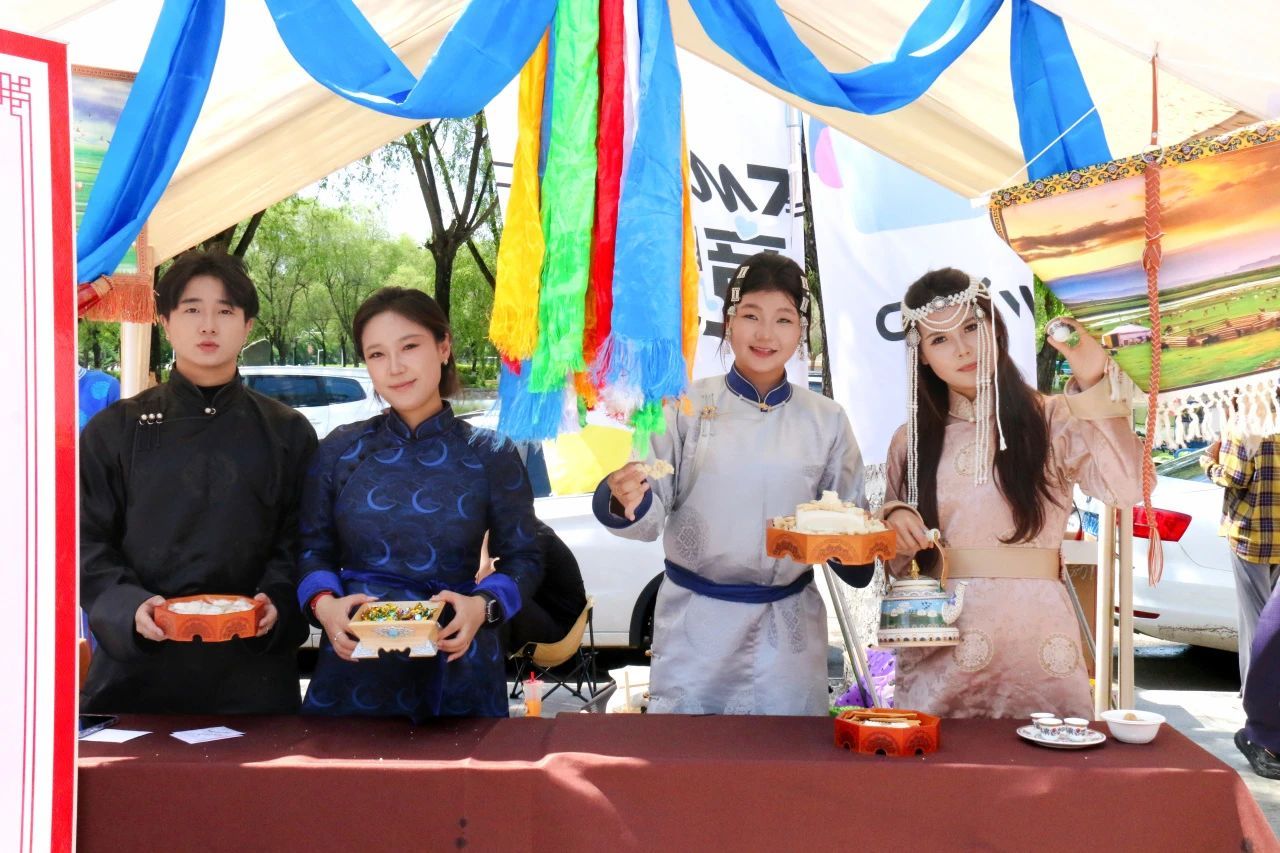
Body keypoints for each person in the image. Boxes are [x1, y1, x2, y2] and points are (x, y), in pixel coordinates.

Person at [595, 252, 872, 716]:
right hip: (695, 626)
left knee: (786, 756)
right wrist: (626, 497)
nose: (766, 334)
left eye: (783, 319)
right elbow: (647, 510)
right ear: (728, 323)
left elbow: (849, 523)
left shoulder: (827, 420)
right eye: (751, 316)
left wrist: (858, 544)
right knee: (694, 755)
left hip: (788, 632)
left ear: (800, 331)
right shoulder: (682, 404)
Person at [883, 268, 1142, 719]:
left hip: (1038, 641)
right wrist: (893, 520)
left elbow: (1127, 487)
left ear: (995, 328)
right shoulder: (911, 441)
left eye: (971, 327)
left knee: (1051, 757)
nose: (962, 349)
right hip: (941, 646)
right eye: (939, 339)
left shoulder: (1054, 418)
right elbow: (891, 562)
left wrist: (1092, 385)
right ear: (920, 355)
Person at [79, 250, 317, 714]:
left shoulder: (287, 431)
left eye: (225, 311)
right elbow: (85, 542)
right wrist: (129, 607)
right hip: (138, 673)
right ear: (166, 323)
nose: (208, 326)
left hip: (253, 672)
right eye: (192, 310)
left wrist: (278, 600)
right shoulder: (115, 429)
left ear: (247, 327)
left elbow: (302, 539)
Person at [297, 287, 541, 720]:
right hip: (355, 668)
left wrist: (482, 606)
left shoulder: (490, 453)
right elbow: (311, 550)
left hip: (458, 659)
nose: (395, 367)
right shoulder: (340, 451)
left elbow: (525, 558)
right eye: (377, 354)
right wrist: (325, 605)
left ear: (443, 347)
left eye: (409, 346)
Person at [1201, 414, 1280, 778]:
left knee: (1256, 629)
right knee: (1270, 630)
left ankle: (1258, 716)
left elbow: (1234, 477)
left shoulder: (1245, 423)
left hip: (1251, 535)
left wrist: (1208, 462)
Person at [479, 521, 589, 651]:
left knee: (495, 600)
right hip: (546, 615)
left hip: (561, 631)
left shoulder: (533, 542)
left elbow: (489, 579)